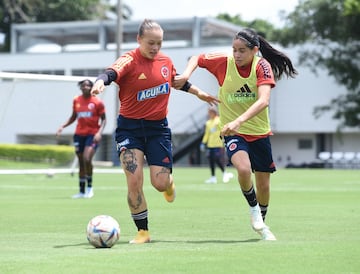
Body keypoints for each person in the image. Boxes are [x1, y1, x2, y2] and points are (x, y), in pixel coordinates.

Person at [90, 19, 220, 244]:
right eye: (151, 42)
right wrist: (100, 82)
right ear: (139, 39)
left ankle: (168, 184)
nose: (155, 47)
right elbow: (110, 73)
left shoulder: (165, 61)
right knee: (134, 179)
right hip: (129, 128)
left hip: (157, 129)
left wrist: (199, 92)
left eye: (159, 43)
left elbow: (177, 81)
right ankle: (143, 232)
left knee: (159, 183)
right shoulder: (129, 60)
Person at [175, 28, 298, 240]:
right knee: (243, 169)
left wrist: (239, 120)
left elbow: (263, 100)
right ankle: (253, 210)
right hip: (233, 132)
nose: (237, 54)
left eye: (242, 50)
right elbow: (196, 57)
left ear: (255, 51)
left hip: (258, 132)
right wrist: (186, 75)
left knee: (264, 185)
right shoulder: (224, 61)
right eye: (234, 50)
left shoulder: (262, 66)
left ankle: (262, 223)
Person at [56, 79, 106, 199]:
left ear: (91, 87)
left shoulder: (97, 102)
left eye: (88, 85)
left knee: (86, 158)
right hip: (79, 134)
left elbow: (104, 119)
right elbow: (73, 116)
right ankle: (81, 191)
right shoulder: (76, 100)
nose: (85, 87)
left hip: (92, 135)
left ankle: (90, 188)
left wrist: (99, 133)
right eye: (83, 85)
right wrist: (63, 126)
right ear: (80, 87)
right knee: (81, 162)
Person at [201, 106, 233, 184]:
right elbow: (207, 134)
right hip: (210, 144)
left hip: (218, 144)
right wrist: (203, 142)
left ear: (214, 112)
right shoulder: (208, 123)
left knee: (216, 159)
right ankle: (213, 177)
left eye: (210, 112)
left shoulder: (219, 121)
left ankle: (224, 173)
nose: (209, 114)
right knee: (211, 160)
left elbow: (223, 130)